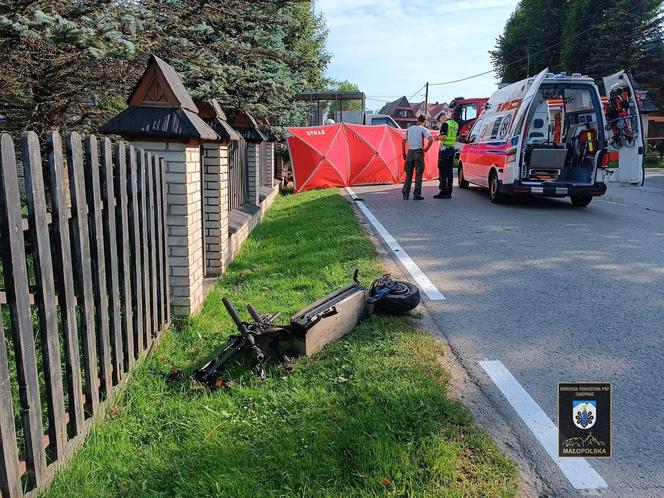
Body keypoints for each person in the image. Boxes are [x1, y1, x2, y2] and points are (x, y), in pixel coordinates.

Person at [401, 115, 433, 200]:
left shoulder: (409, 129)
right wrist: (426, 149)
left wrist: (404, 153)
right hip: (419, 152)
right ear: (424, 121)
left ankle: (405, 194)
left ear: (417, 120)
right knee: (418, 175)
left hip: (410, 153)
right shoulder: (423, 129)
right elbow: (431, 139)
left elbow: (403, 142)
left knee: (408, 174)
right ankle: (416, 194)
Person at [433, 111, 458, 199]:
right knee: (449, 172)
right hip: (451, 149)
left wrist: (437, 138)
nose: (440, 122)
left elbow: (443, 137)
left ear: (442, 116)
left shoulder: (445, 124)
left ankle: (443, 192)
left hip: (445, 150)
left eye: (439, 119)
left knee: (443, 171)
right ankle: (449, 193)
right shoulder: (455, 124)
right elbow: (456, 137)